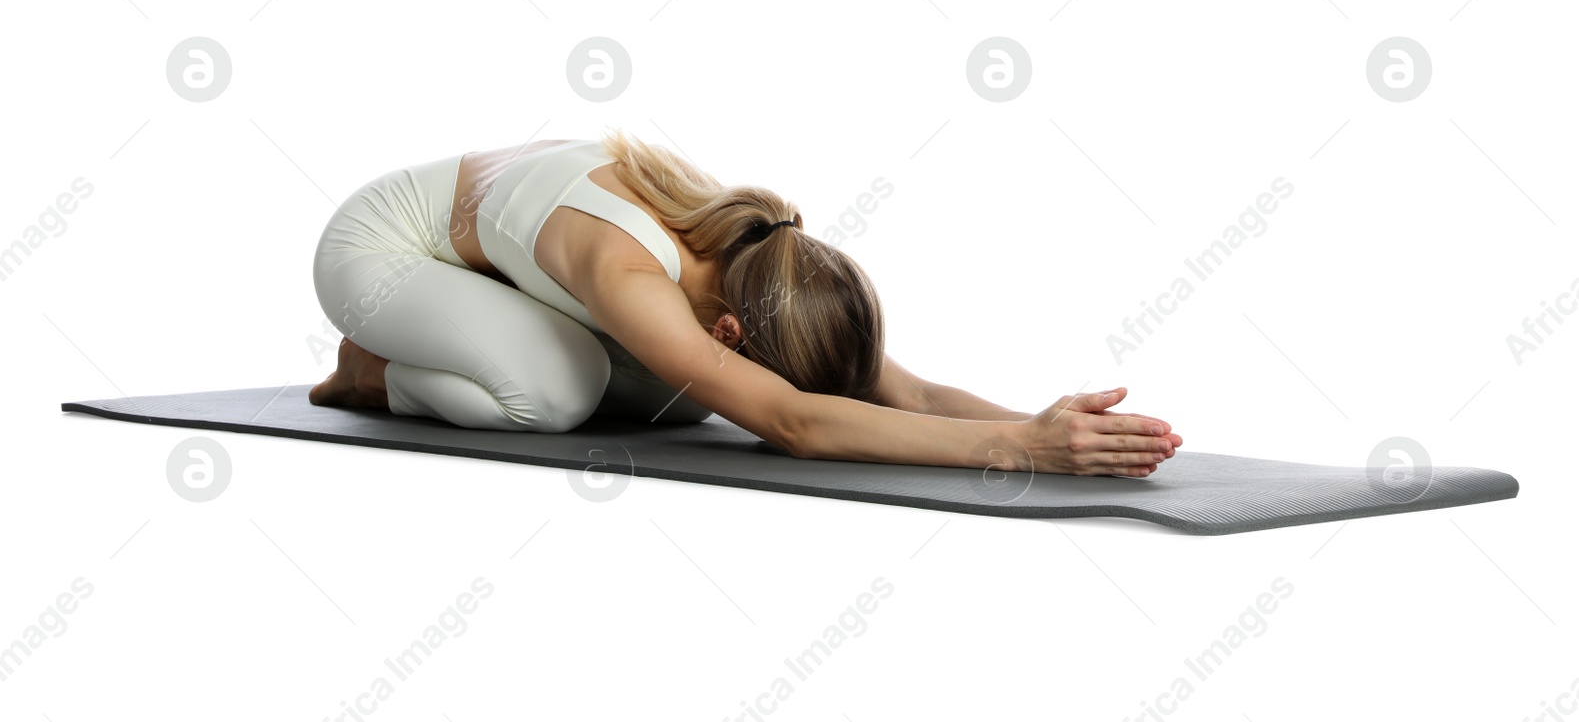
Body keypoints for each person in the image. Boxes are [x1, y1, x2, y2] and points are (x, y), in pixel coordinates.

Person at [309, 129, 1181, 476]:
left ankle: (469, 338)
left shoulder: (767, 261)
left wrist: (1043, 425)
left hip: (500, 270)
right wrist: (1014, 452)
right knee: (561, 393)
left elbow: (904, 394)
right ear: (730, 329)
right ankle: (371, 371)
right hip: (383, 253)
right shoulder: (629, 269)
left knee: (676, 396)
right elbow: (797, 422)